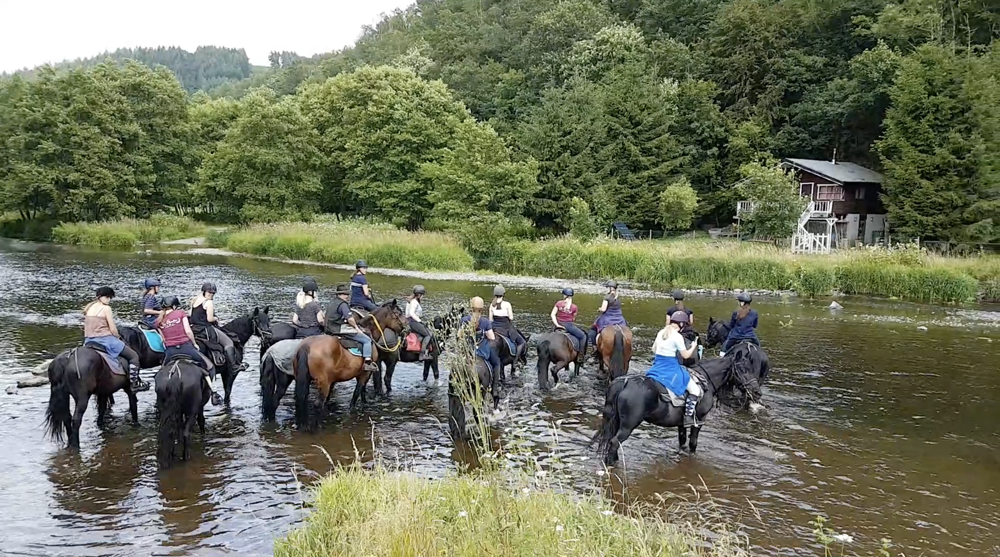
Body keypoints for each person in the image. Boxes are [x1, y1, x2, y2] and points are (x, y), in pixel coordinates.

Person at [156, 296, 221, 406]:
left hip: (170, 352)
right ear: (174, 306)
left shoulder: (158, 320)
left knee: (161, 372)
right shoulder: (181, 313)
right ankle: (213, 393)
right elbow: (188, 332)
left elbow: (163, 339)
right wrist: (194, 344)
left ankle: (159, 398)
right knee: (210, 367)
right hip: (186, 348)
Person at [84, 287, 148, 392]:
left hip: (89, 340)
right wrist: (118, 337)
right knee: (133, 356)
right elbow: (113, 329)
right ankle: (134, 383)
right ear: (100, 297)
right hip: (106, 340)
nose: (109, 300)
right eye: (107, 297)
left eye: (110, 297)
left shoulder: (89, 308)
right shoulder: (106, 308)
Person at [647, 312, 701, 426]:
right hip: (670, 368)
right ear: (681, 324)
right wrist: (693, 347)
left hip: (657, 366)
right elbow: (685, 356)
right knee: (695, 390)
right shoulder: (677, 336)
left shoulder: (661, 332)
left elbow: (654, 349)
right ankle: (688, 417)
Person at [189, 282, 246, 373]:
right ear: (204, 291)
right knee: (229, 343)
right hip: (206, 330)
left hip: (194, 329)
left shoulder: (195, 300)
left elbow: (191, 315)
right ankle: (234, 366)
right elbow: (210, 319)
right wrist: (216, 318)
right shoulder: (208, 303)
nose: (211, 295)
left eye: (213, 293)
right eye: (209, 292)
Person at [324, 283, 376, 371]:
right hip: (338, 329)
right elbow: (350, 319)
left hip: (328, 328)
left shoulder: (332, 302)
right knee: (367, 340)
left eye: (347, 294)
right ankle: (367, 362)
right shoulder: (343, 304)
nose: (347, 296)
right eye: (345, 294)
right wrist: (356, 328)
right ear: (339, 294)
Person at [460, 296, 500, 372]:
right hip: (481, 351)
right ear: (482, 310)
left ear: (470, 308)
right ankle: (496, 380)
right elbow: (492, 337)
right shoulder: (485, 322)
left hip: (467, 350)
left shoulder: (464, 320)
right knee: (496, 363)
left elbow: (459, 335)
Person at [488, 285, 525, 361]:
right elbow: (511, 318)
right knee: (522, 342)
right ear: (503, 294)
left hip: (495, 328)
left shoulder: (492, 305)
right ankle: (515, 361)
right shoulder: (507, 304)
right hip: (505, 328)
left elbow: (490, 319)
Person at [587, 280, 628, 348]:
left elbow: (603, 309)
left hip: (608, 318)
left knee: (593, 329)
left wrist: (599, 309)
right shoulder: (618, 297)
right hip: (619, 319)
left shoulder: (607, 297)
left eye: (607, 288)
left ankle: (593, 345)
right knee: (626, 327)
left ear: (610, 288)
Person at [550, 287, 586, 360]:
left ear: (565, 295)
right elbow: (573, 318)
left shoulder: (559, 303)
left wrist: (557, 325)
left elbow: (552, 314)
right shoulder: (574, 307)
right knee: (583, 336)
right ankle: (580, 355)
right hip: (568, 326)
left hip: (558, 324)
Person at [406, 285, 433, 361]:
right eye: (422, 295)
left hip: (411, 321)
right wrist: (419, 321)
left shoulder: (411, 301)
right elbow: (411, 313)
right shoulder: (414, 302)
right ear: (419, 295)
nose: (423, 297)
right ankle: (422, 354)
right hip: (413, 322)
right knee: (428, 335)